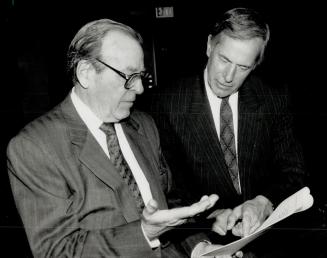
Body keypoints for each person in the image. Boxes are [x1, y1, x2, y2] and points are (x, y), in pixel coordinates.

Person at [7, 18, 244, 258]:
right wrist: (143, 233)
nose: (140, 88)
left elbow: (168, 203)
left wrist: (200, 248)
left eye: (141, 76)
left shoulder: (143, 125)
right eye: (129, 76)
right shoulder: (35, 147)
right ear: (86, 73)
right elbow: (57, 251)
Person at [145, 7, 308, 250]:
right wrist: (210, 216)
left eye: (243, 67)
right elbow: (170, 190)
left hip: (272, 241)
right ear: (210, 46)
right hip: (204, 241)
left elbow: (293, 171)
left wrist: (264, 201)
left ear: (255, 65)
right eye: (224, 60)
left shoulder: (273, 97)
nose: (228, 77)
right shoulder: (166, 104)